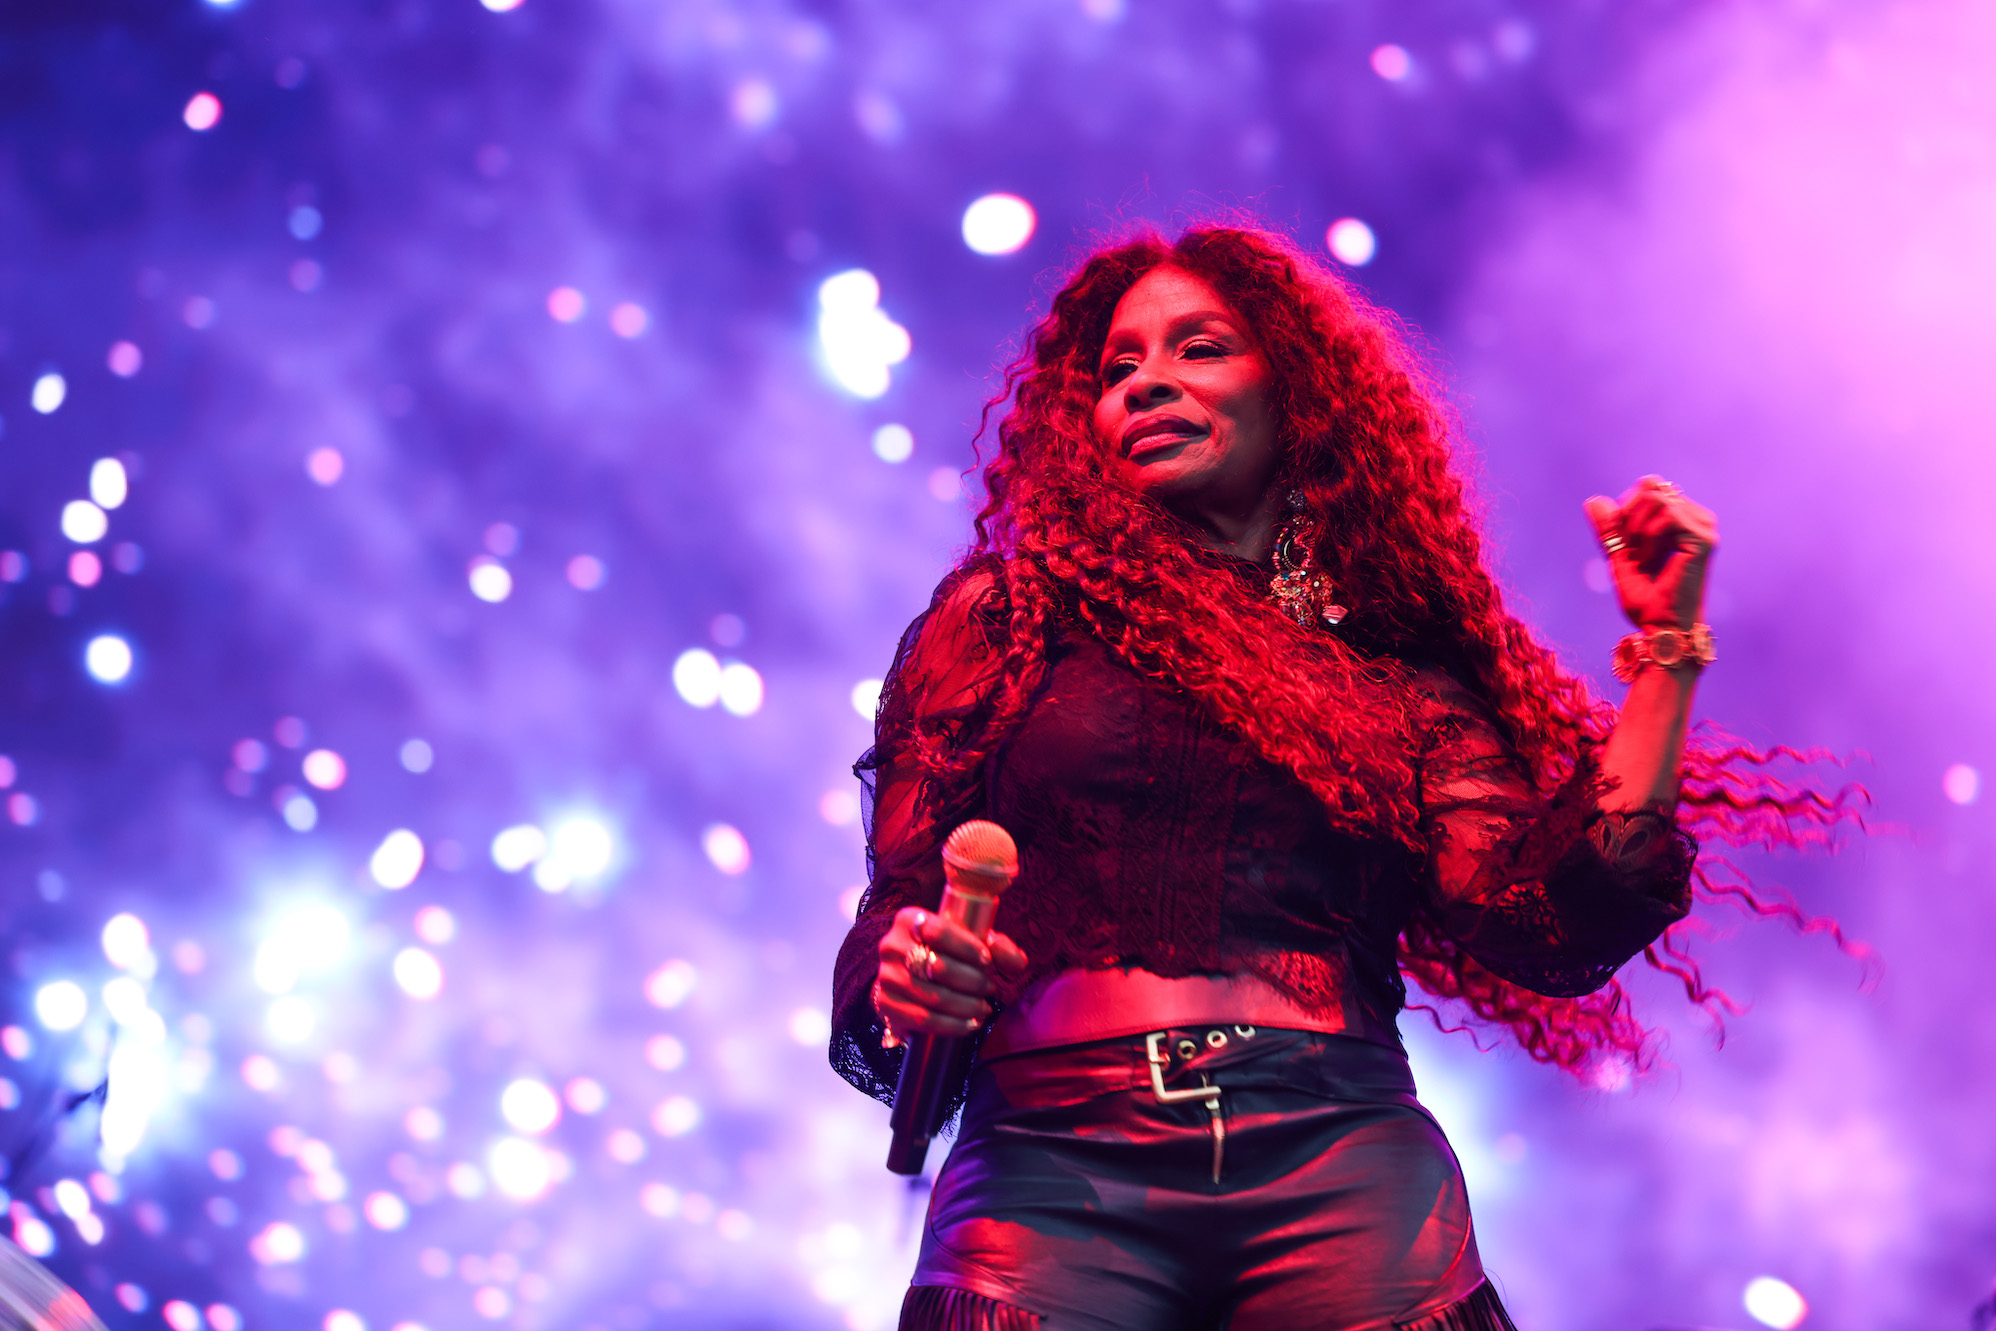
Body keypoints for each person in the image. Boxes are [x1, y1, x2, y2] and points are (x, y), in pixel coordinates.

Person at [830, 224, 1837, 1331]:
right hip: (1049, 1163)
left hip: (1338, 1157)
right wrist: (909, 971)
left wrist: (1662, 654)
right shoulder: (1006, 620)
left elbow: (1542, 922)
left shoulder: (1390, 667)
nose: (1147, 381)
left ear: (1297, 394)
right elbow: (902, 900)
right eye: (1118, 368)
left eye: (1198, 348)